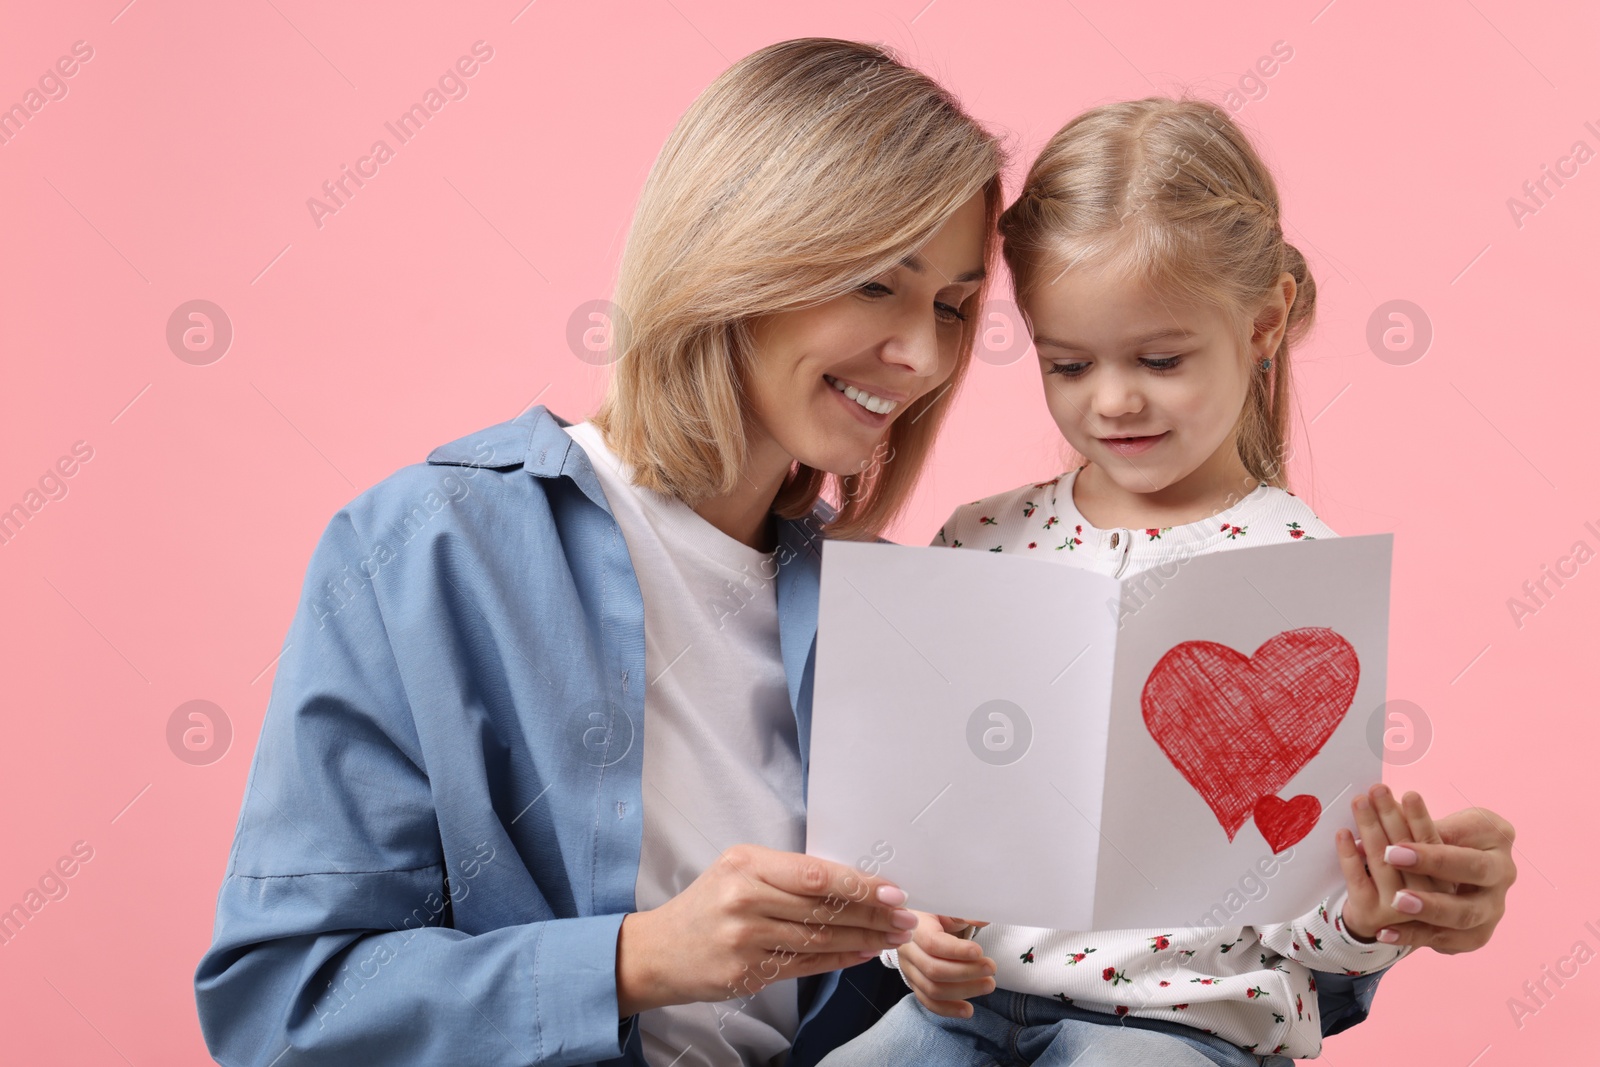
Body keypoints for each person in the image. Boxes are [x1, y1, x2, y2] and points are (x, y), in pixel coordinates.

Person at [193, 42, 1516, 1067]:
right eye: (877, 283)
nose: (926, 357)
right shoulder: (430, 547)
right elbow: (277, 1001)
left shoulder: (894, 596)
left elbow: (1135, 955)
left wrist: (1398, 907)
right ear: (744, 256)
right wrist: (637, 958)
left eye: (950, 306)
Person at [817, 98, 1516, 1067]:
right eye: (1066, 363)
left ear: (1263, 321)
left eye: (1159, 358)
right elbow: (916, 815)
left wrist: (1364, 910)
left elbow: (1294, 926)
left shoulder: (1300, 571)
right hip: (961, 1011)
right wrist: (911, 937)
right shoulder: (982, 537)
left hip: (1173, 1027)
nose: (1112, 399)